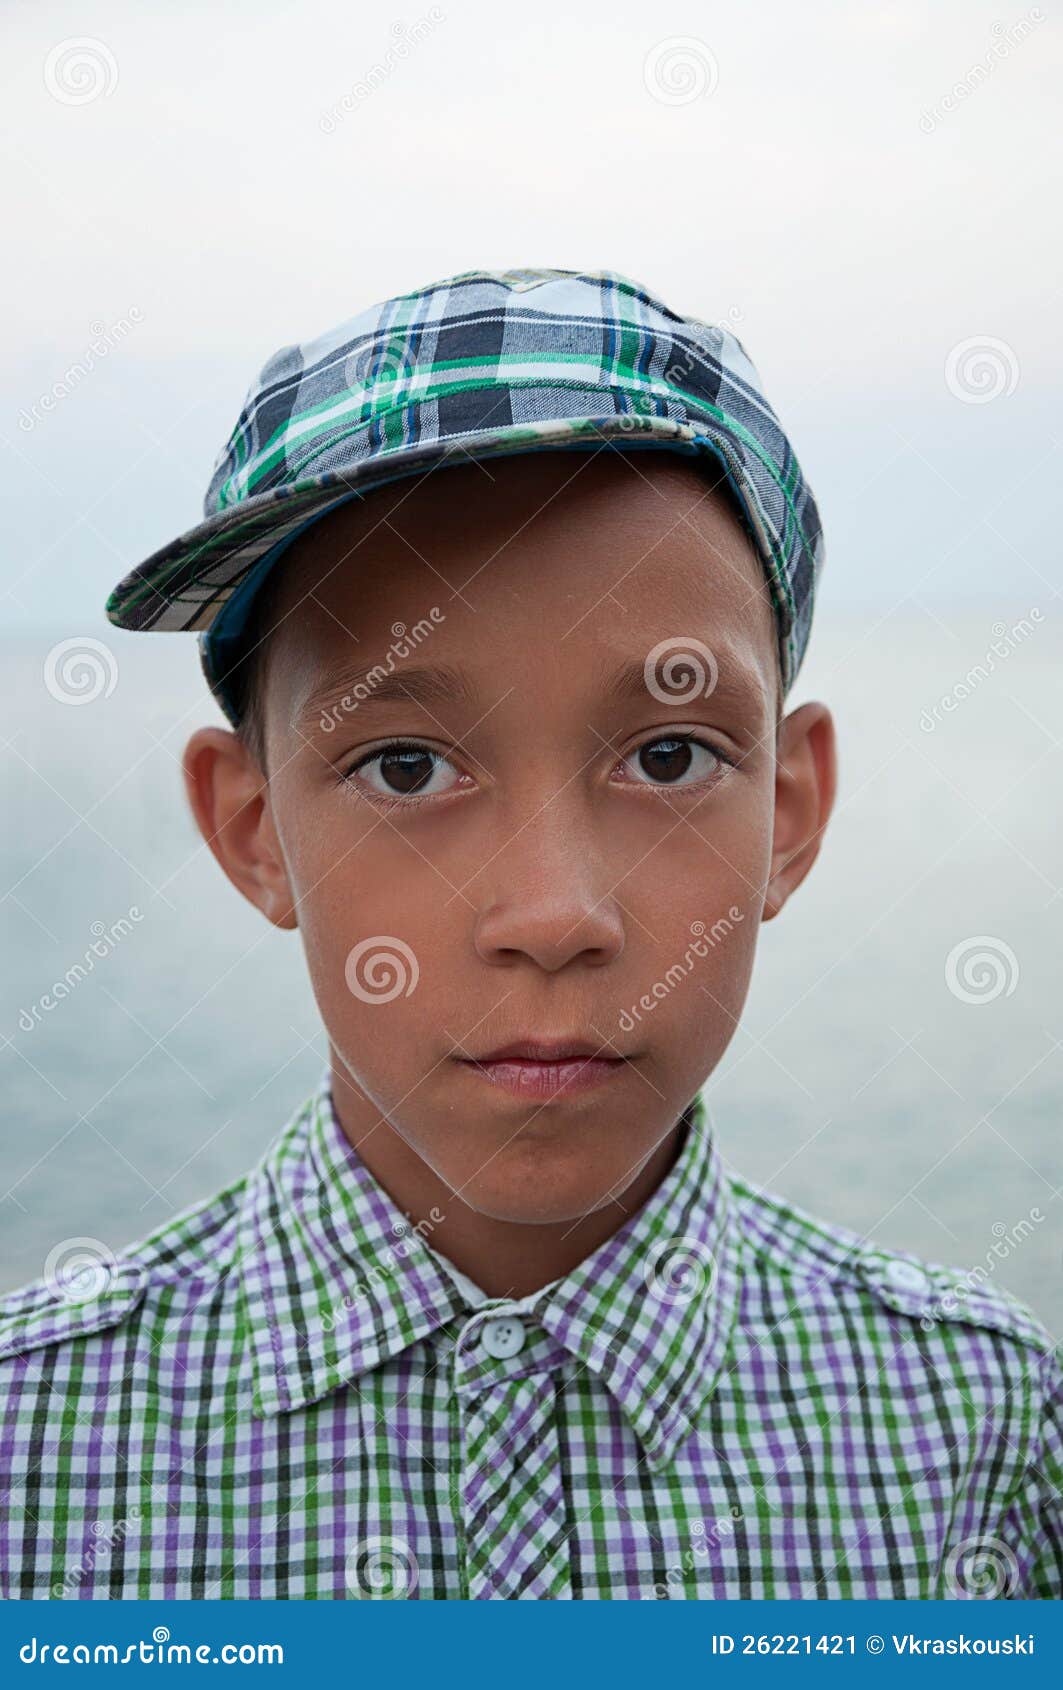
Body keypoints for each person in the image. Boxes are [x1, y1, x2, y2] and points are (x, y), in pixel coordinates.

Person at [1, 270, 1058, 1601]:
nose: (556, 912)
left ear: (788, 814)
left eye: (668, 753)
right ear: (252, 828)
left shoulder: (987, 1433)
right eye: (403, 768)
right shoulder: (34, 1454)